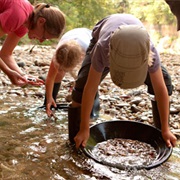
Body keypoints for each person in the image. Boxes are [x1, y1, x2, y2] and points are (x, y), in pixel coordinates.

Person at [66, 14, 177, 149]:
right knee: (82, 86)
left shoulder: (149, 51)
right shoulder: (102, 49)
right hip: (105, 38)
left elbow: (160, 89)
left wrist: (166, 129)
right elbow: (90, 88)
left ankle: (161, 136)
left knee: (164, 81)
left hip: (137, 44)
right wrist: (85, 128)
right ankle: (76, 139)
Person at [0, 0, 66, 87]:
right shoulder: (18, 15)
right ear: (41, 21)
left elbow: (6, 54)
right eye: (43, 37)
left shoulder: (24, 25)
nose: (41, 41)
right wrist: (8, 72)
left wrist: (22, 75)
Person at [45, 28, 100, 129]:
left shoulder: (90, 52)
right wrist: (49, 97)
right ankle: (50, 105)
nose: (64, 71)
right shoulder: (59, 51)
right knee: (57, 74)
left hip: (88, 37)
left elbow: (93, 81)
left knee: (87, 81)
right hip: (71, 37)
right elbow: (50, 77)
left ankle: (93, 113)